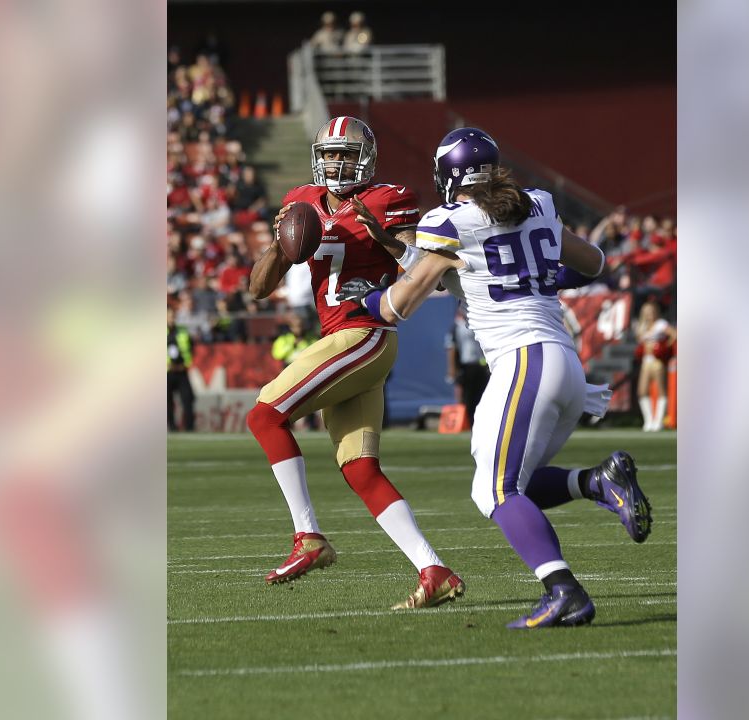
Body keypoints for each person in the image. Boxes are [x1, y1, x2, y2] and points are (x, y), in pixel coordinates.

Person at [337, 127, 654, 628]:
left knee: (496, 492)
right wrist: (536, 268)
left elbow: (403, 303)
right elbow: (592, 263)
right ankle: (597, 481)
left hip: (523, 361)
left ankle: (564, 591)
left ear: (448, 176)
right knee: (514, 485)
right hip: (566, 365)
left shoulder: (448, 220)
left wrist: (359, 302)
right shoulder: (538, 204)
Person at [244, 116, 464, 608]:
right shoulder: (300, 200)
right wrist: (281, 244)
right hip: (340, 339)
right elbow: (258, 288)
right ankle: (434, 569)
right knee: (360, 469)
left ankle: (309, 538)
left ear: (365, 157)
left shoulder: (389, 199)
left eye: (346, 153)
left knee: (264, 414)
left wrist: (382, 236)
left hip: (365, 333)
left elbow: (422, 268)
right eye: (330, 153)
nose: (337, 162)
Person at [634, 300, 676, 431]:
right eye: (646, 312)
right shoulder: (642, 326)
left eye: (651, 312)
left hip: (657, 361)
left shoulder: (661, 324)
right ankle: (649, 420)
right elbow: (640, 341)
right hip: (646, 361)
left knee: (661, 390)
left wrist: (664, 348)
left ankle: (659, 421)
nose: (649, 315)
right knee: (642, 391)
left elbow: (674, 335)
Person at [445, 305, 488, 428]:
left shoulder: (477, 324)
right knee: (467, 395)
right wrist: (452, 369)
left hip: (480, 364)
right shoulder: (456, 327)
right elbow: (451, 348)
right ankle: (467, 421)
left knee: (481, 394)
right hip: (466, 365)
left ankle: (479, 421)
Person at [167, 306, 196, 432]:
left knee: (188, 398)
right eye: (169, 316)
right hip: (166, 373)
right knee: (167, 401)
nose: (171, 318)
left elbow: (190, 348)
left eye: (173, 315)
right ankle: (172, 427)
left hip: (181, 371)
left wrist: (186, 363)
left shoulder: (182, 331)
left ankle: (189, 427)